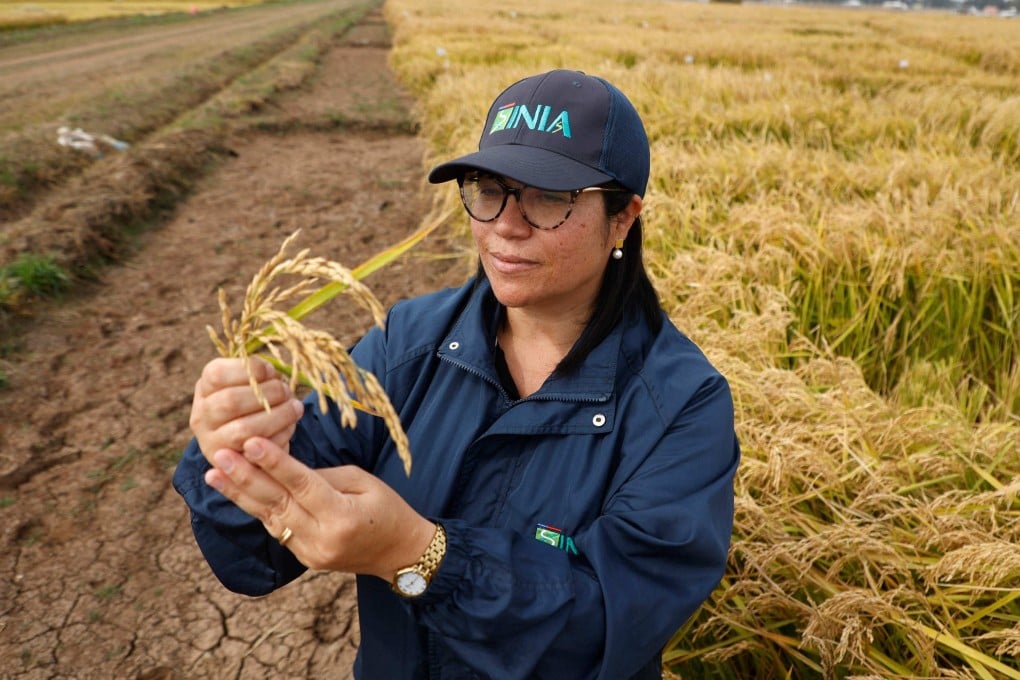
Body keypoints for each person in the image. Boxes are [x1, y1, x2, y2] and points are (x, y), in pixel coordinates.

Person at [173, 68, 740, 679]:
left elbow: (605, 627)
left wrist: (417, 555)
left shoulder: (680, 404)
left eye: (550, 197)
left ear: (623, 217)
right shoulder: (406, 346)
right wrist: (235, 450)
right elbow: (255, 551)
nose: (505, 225)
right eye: (489, 188)